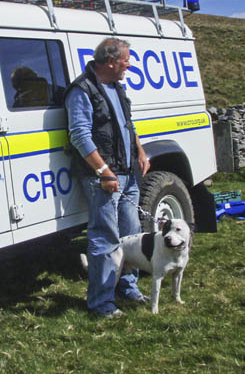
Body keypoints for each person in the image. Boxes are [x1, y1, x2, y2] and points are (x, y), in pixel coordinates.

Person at [65, 37, 150, 317]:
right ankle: (101, 303)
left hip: (127, 174)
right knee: (105, 240)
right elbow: (79, 134)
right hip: (103, 178)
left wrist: (139, 150)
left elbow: (128, 124)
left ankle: (127, 287)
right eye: (126, 60)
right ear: (110, 61)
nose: (129, 65)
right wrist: (103, 171)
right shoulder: (82, 90)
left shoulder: (117, 86)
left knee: (131, 235)